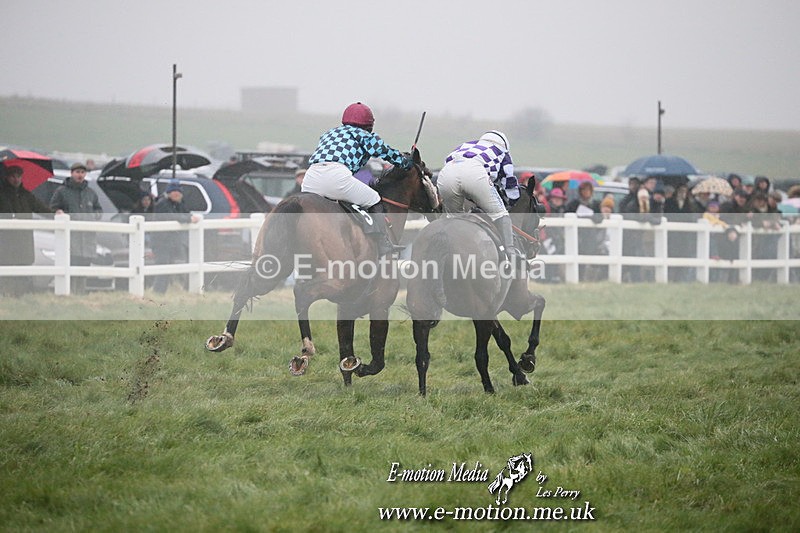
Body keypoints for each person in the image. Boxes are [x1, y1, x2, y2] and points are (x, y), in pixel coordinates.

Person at [302, 102, 412, 256]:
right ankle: (384, 243)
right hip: (336, 176)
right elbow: (384, 151)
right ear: (369, 125)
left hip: (311, 177)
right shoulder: (364, 135)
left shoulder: (329, 133)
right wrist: (406, 162)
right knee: (374, 198)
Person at [437, 130, 523, 262]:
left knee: (454, 220)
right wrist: (511, 201)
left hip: (446, 173)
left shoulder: (465, 145)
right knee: (500, 214)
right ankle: (510, 254)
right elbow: (509, 183)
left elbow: (449, 165)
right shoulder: (502, 151)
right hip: (474, 172)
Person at [49, 162, 102, 293]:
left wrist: (94, 216)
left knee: (84, 267)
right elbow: (52, 208)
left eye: (82, 172)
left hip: (87, 239)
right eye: (77, 172)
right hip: (70, 238)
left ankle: (80, 293)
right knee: (71, 265)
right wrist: (59, 213)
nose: (80, 175)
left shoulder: (91, 193)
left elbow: (99, 210)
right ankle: (69, 292)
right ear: (72, 173)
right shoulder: (62, 191)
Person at [0, 165, 53, 295]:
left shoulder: (26, 195)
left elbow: (41, 208)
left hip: (23, 241)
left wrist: (57, 214)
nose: (16, 179)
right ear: (6, 177)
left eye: (18, 176)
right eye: (13, 176)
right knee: (6, 272)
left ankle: (20, 296)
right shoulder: (2, 195)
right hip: (6, 242)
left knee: (22, 272)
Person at [152, 180, 200, 293]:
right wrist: (189, 219)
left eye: (178, 192)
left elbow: (186, 213)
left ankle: (164, 292)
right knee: (162, 268)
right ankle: (158, 292)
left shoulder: (180, 203)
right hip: (161, 242)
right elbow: (171, 216)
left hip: (172, 242)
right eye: (173, 192)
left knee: (170, 268)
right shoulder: (162, 204)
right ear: (168, 193)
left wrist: (190, 217)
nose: (176, 195)